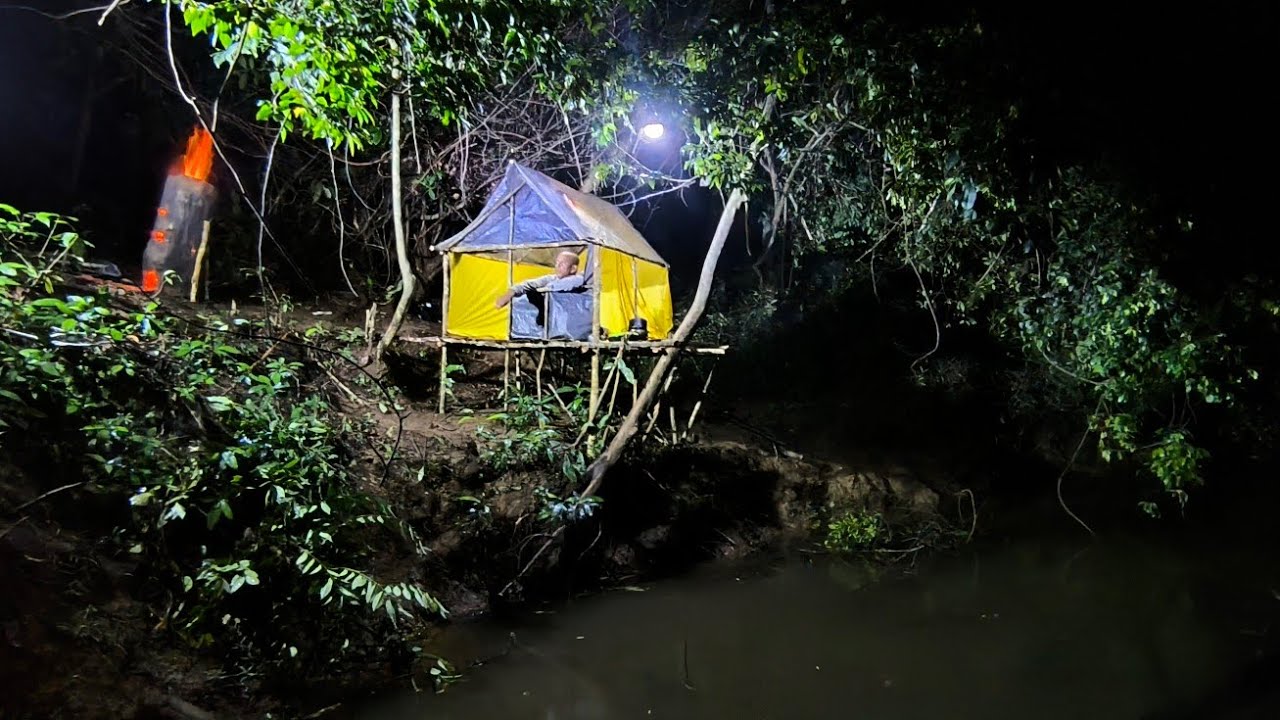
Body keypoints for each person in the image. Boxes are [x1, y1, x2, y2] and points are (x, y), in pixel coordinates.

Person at [494, 250, 585, 308]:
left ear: (573, 269)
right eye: (557, 263)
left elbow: (572, 282)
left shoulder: (580, 280)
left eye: (562, 264)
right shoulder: (552, 279)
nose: (557, 266)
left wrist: (546, 289)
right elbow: (531, 283)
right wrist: (511, 292)